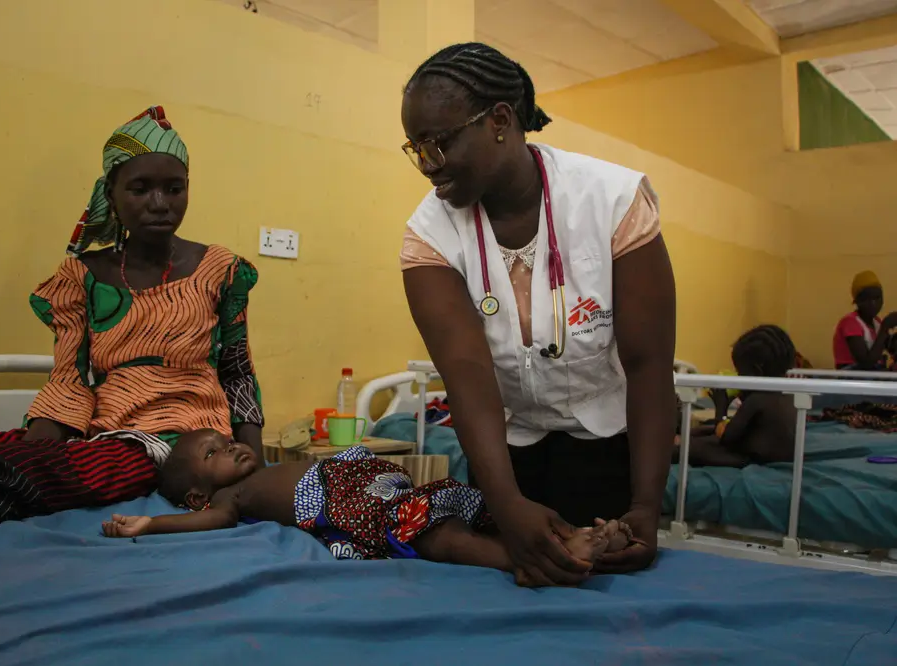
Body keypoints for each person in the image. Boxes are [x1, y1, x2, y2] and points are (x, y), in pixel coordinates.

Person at [0, 106, 264, 568]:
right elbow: (69, 378)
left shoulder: (220, 270)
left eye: (174, 188)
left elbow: (237, 371)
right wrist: (33, 447)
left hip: (182, 446)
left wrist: (255, 465)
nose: (159, 202)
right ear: (111, 192)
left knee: (19, 473)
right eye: (140, 188)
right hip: (107, 433)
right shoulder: (82, 274)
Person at [398, 43, 675, 585]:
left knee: (605, 597)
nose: (428, 165)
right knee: (508, 597)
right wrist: (504, 503)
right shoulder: (429, 235)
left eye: (439, 143)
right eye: (416, 148)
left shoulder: (612, 200)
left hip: (607, 448)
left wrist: (646, 506)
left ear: (500, 120)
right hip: (504, 456)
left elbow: (648, 366)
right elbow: (468, 378)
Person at [102, 430, 634, 585]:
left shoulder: (263, 470)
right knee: (435, 535)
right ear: (197, 493)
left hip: (377, 484)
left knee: (471, 506)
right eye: (211, 454)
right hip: (355, 505)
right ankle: (534, 560)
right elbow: (211, 521)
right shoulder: (227, 499)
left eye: (224, 438)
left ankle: (564, 536)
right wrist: (150, 524)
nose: (231, 446)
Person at [674, 325, 797, 468]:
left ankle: (676, 444)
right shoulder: (788, 395)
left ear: (757, 370)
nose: (738, 377)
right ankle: (680, 439)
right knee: (706, 429)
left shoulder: (757, 400)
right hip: (770, 454)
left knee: (694, 449)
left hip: (751, 459)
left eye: (740, 372)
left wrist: (721, 408)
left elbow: (727, 438)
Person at [832, 271, 897, 370]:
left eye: (877, 298)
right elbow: (865, 363)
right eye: (867, 299)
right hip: (852, 377)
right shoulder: (850, 322)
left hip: (872, 376)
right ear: (857, 301)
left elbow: (890, 347)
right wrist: (885, 327)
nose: (873, 303)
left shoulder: (876, 322)